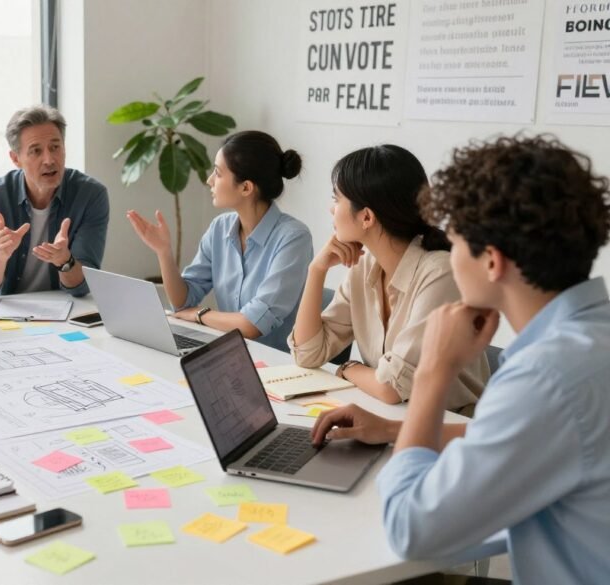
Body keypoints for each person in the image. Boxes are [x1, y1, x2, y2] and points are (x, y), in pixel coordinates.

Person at [311, 135, 610, 584]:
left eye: (455, 242)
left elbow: (412, 530)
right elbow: (518, 441)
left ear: (491, 262)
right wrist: (393, 429)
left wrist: (433, 375)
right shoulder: (587, 341)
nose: (448, 255)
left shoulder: (544, 378)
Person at [290, 145, 488, 412]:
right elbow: (308, 354)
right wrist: (316, 270)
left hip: (452, 429)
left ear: (367, 217)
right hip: (394, 418)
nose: (331, 209)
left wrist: (349, 368)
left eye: (336, 200)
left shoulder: (440, 273)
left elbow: (390, 387)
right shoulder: (365, 268)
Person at [128, 130, 313, 352]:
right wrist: (163, 252)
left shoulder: (293, 238)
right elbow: (182, 302)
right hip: (232, 354)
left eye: (217, 172)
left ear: (246, 187)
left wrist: (200, 315)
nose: (209, 180)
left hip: (278, 366)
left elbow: (252, 324)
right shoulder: (220, 228)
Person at [0, 105, 109, 298]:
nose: (49, 159)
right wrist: (0, 255)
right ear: (15, 158)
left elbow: (82, 287)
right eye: (36, 151)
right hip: (6, 316)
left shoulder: (90, 195)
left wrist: (64, 260)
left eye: (55, 147)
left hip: (66, 313)